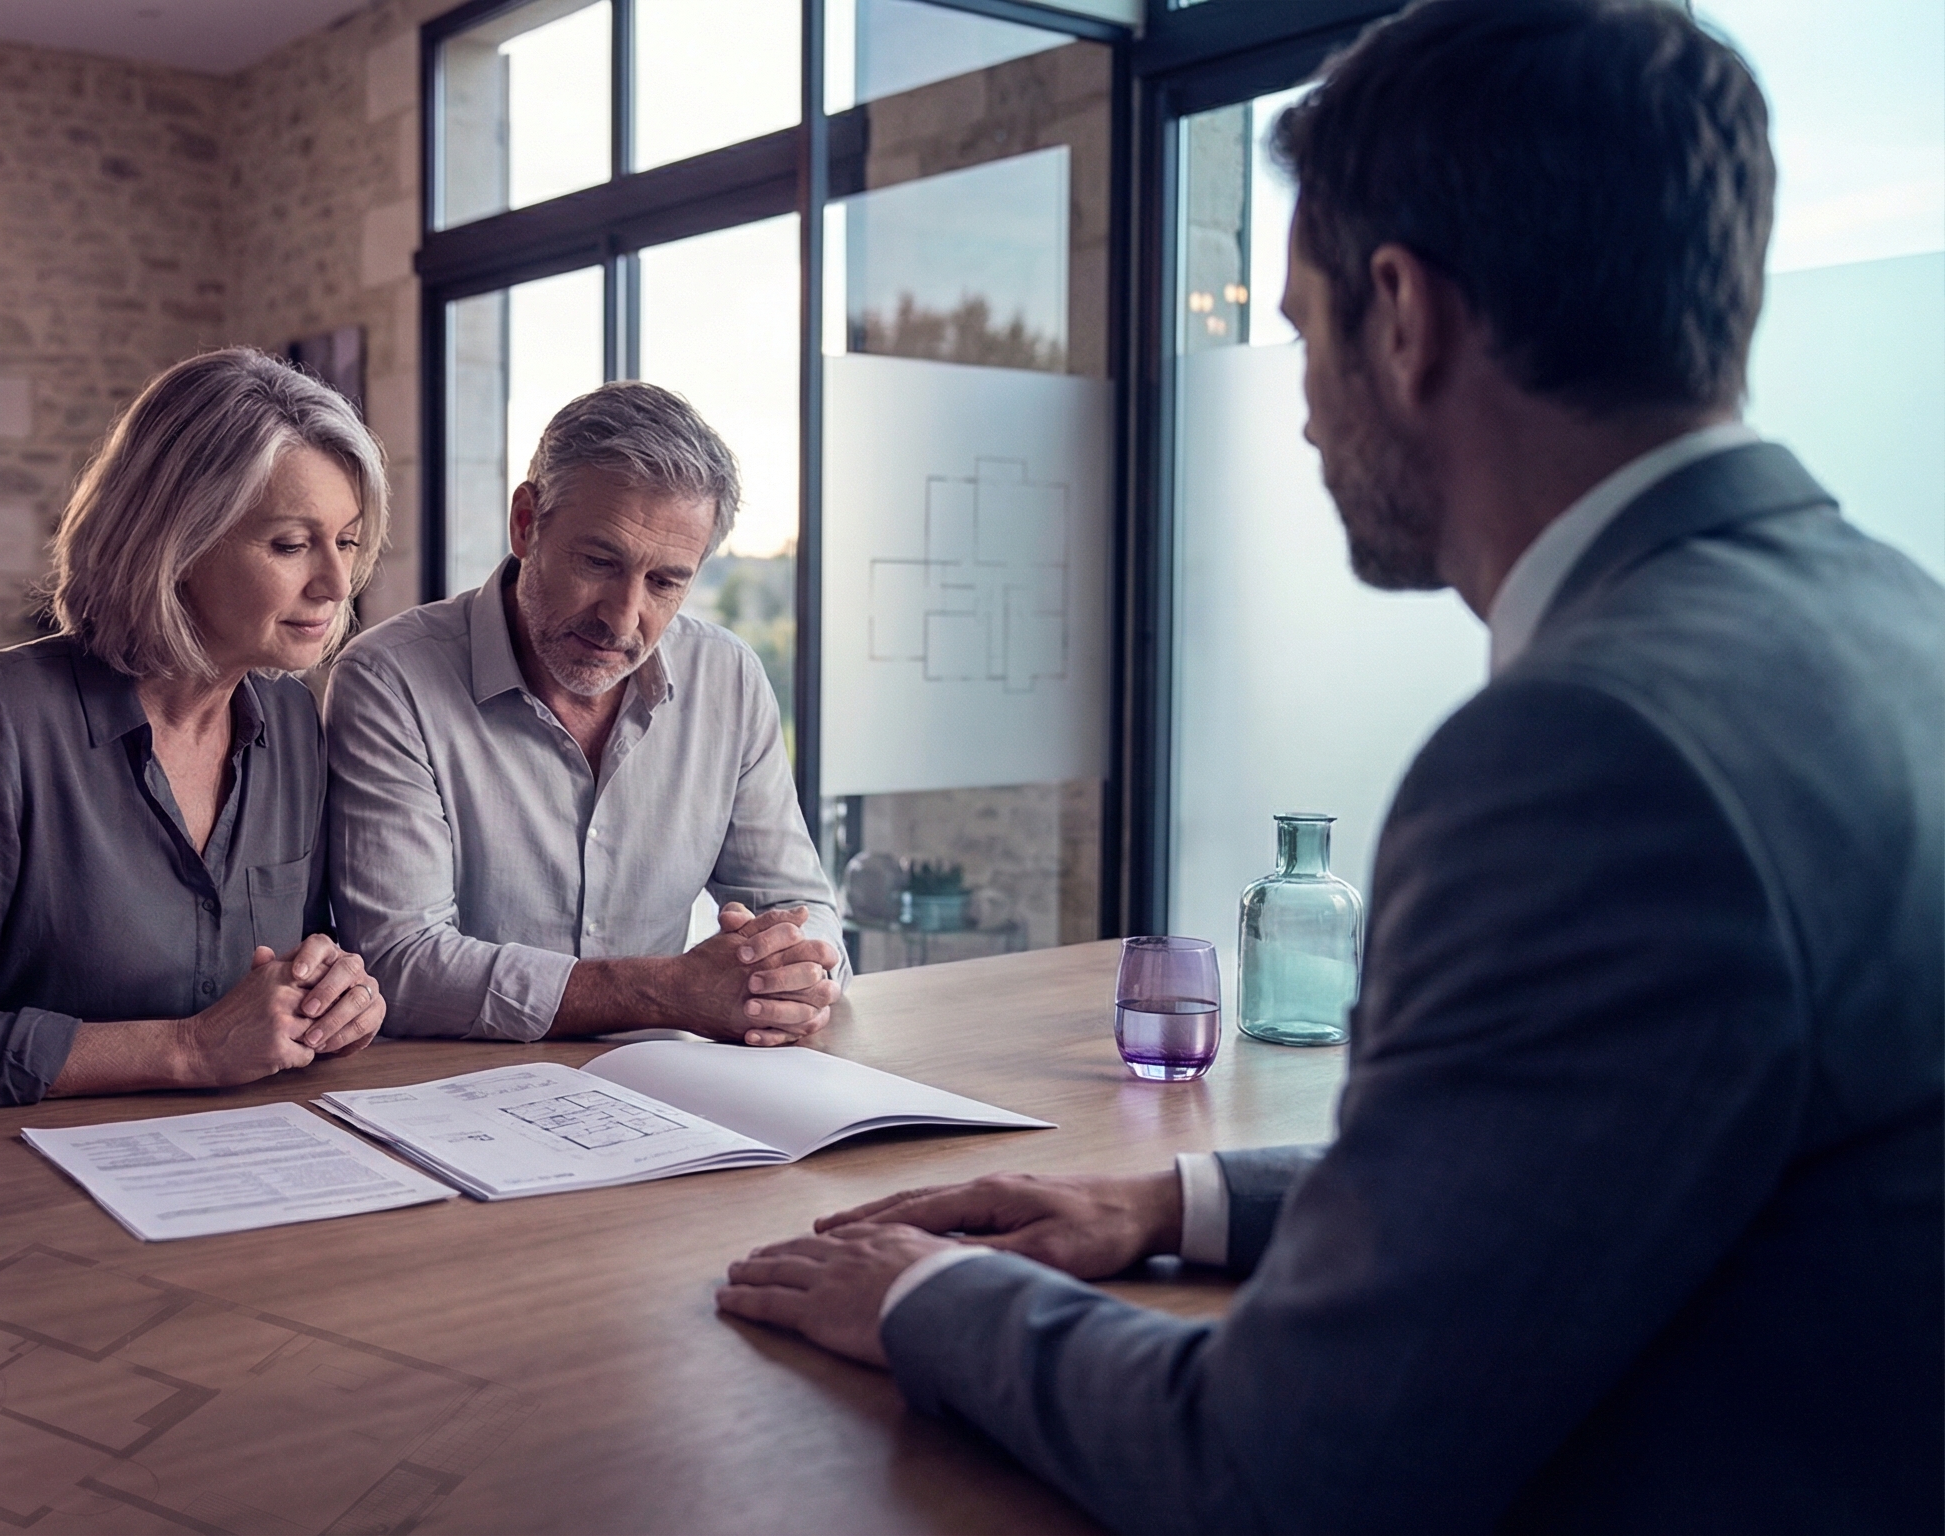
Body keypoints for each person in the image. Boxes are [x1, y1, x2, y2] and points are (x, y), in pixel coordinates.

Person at [716, 2, 1945, 1530]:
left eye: (1300, 337)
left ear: (1406, 315)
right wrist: (1177, 1201)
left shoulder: (1588, 755)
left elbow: (1279, 1469)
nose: (1297, 410)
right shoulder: (1900, 623)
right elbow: (1567, 1168)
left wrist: (925, 1297)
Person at [0, 349, 393, 1105]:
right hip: (8, 1187)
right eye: (291, 544)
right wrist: (189, 1050)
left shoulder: (293, 723)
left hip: (237, 1170)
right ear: (177, 542)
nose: (333, 584)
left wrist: (335, 1002)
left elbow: (295, 972)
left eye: (347, 542)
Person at [325, 381, 848, 1045]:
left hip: (667, 1089)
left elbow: (804, 913)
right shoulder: (390, 680)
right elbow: (398, 964)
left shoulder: (729, 679)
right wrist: (664, 991)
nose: (623, 618)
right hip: (454, 1092)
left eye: (666, 582)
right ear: (525, 523)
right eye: (600, 561)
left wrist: (791, 976)